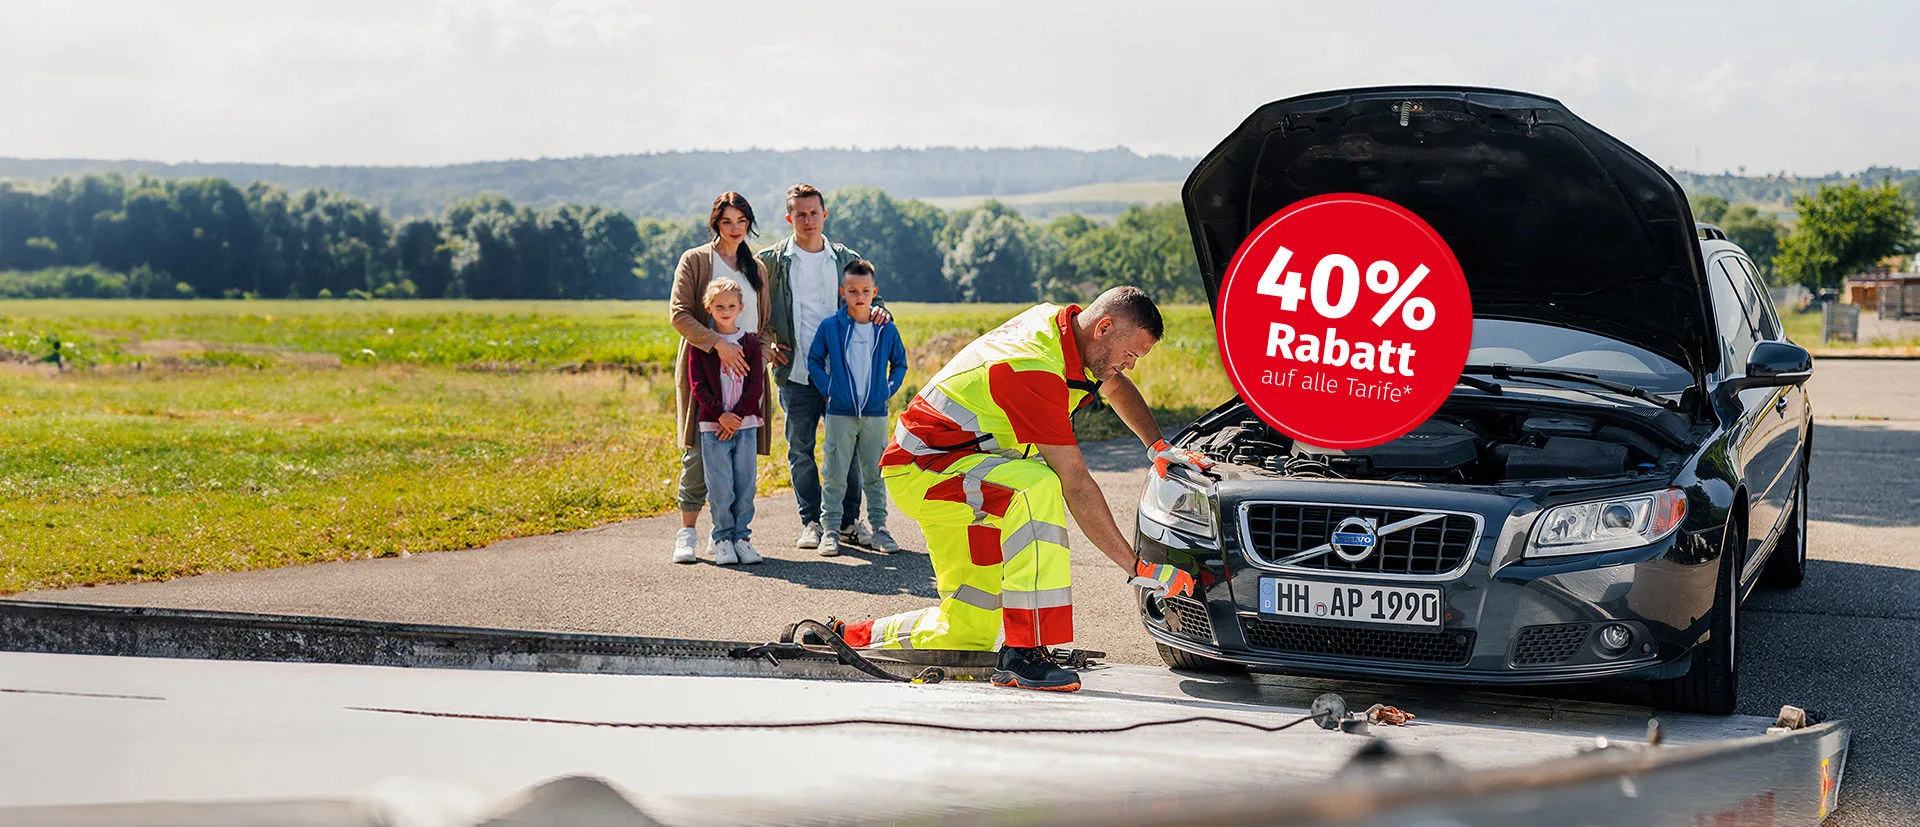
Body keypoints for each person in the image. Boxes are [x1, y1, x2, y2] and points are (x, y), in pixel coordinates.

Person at [788, 287, 1212, 692]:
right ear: (1103, 328)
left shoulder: (1069, 333)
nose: (1131, 364)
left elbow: (1114, 385)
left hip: (961, 473)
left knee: (966, 630)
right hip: (925, 471)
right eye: (1130, 354)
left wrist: (1158, 446)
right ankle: (1024, 653)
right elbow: (1077, 483)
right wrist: (1135, 567)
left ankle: (847, 636)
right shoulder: (1033, 363)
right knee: (1038, 486)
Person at [758, 184, 892, 552]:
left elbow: (871, 297)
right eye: (800, 214)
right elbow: (750, 308)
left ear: (824, 215)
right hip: (796, 372)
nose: (808, 220)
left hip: (843, 375)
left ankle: (848, 522)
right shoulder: (771, 261)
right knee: (800, 449)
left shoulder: (844, 258)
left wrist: (881, 312)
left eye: (814, 213)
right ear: (789, 218)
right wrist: (764, 342)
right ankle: (812, 522)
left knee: (844, 450)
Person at [670, 192, 773, 564]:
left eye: (742, 222)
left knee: (740, 462)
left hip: (747, 376)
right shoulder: (696, 261)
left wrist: (759, 355)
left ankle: (728, 536)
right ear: (716, 222)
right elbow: (680, 314)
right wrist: (717, 344)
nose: (735, 229)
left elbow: (763, 324)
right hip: (707, 366)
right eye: (727, 221)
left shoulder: (756, 268)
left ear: (749, 224)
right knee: (700, 452)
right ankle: (687, 534)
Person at [806, 259, 908, 556]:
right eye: (852, 291)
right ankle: (831, 531)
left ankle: (880, 530)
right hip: (839, 413)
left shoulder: (886, 329)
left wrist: (886, 390)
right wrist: (829, 390)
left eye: (865, 290)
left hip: (875, 414)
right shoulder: (831, 327)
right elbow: (814, 361)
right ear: (843, 292)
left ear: (874, 291)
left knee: (875, 475)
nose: (859, 296)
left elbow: (899, 363)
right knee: (835, 473)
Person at [686, 277, 766, 565]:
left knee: (745, 483)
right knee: (720, 485)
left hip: (744, 426)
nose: (726, 310)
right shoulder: (702, 345)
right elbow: (698, 385)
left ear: (741, 307)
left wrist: (737, 417)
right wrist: (721, 415)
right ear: (708, 307)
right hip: (713, 426)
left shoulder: (751, 343)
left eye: (732, 305)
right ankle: (722, 539)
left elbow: (756, 384)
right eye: (719, 306)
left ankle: (742, 538)